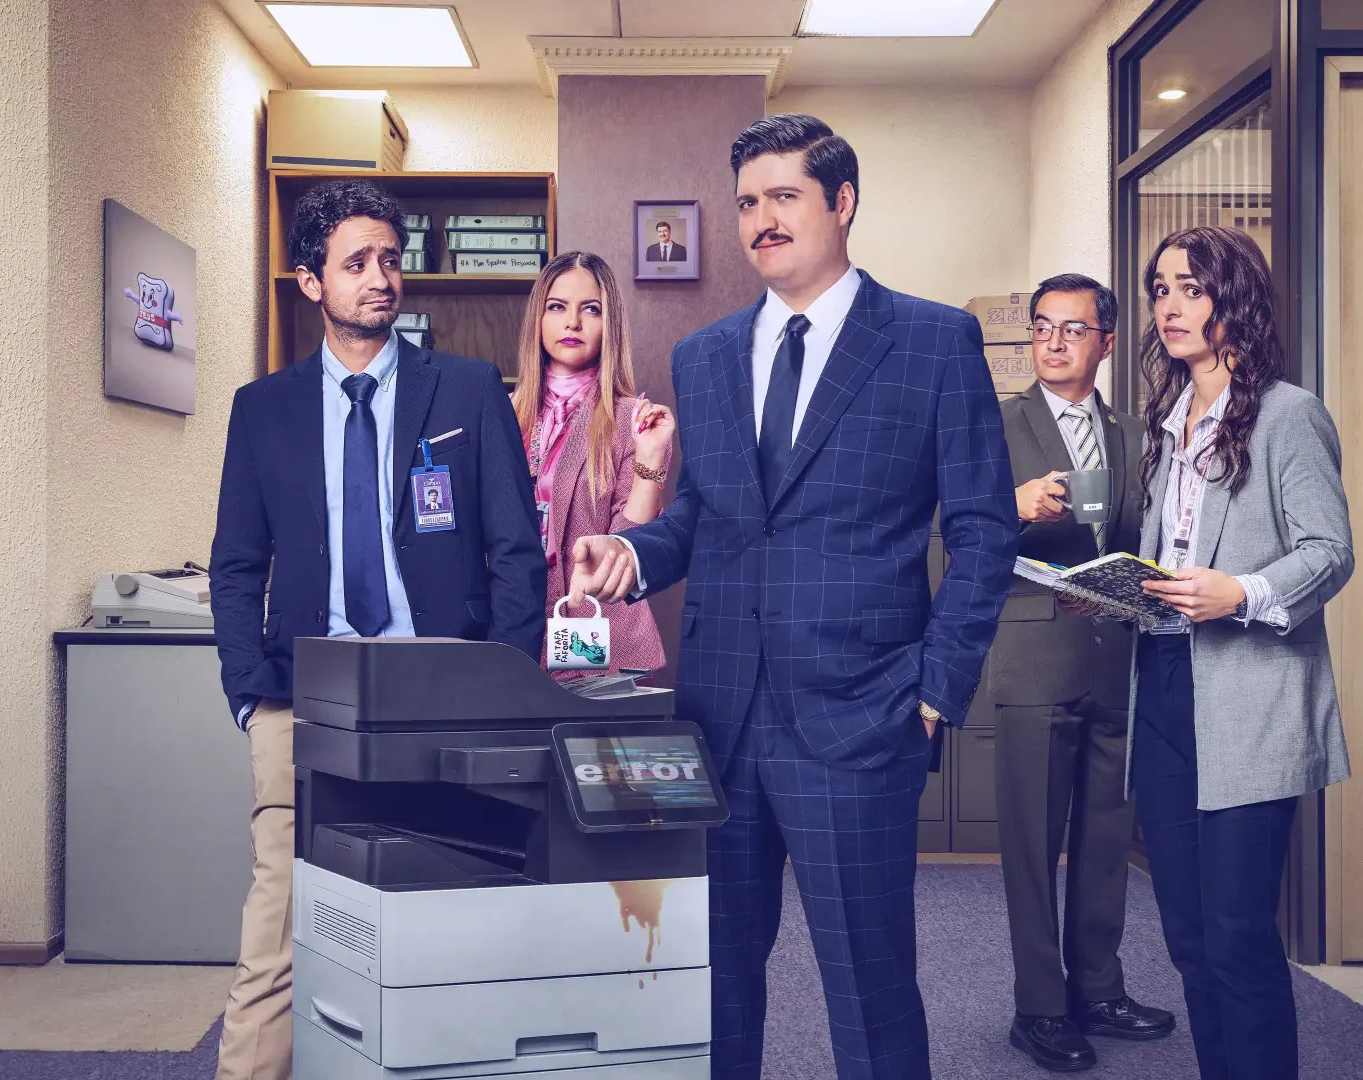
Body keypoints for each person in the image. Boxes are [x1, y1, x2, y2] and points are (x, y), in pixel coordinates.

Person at [570, 113, 1018, 1080]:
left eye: (784, 197)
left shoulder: (935, 343)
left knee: (870, 983)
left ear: (842, 202)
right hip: (720, 720)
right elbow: (704, 518)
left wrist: (936, 688)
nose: (761, 219)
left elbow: (985, 531)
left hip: (864, 719)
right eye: (746, 203)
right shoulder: (705, 354)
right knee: (712, 979)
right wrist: (631, 556)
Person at [208, 178, 546, 1080]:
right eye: (356, 262)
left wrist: (503, 689)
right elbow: (237, 569)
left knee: (449, 926)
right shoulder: (263, 409)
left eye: (390, 260)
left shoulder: (468, 391)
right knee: (274, 942)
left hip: (441, 692)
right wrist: (250, 698)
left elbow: (519, 552)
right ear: (310, 279)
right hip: (302, 699)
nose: (380, 279)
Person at [1130, 225, 1352, 1080]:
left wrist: (1242, 592)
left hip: (1250, 698)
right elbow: (1171, 550)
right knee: (1186, 937)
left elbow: (1330, 551)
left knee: (1235, 936)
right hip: (1164, 684)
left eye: (1191, 286)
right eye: (1160, 289)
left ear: (1237, 298)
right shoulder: (1168, 415)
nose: (1171, 305)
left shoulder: (1290, 414)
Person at [990, 274, 1172, 1072]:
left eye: (1073, 329)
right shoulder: (996, 427)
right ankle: (1039, 1008)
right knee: (1033, 844)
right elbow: (939, 527)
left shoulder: (1138, 435)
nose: (1055, 342)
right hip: (1033, 659)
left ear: (1105, 343)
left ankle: (1098, 989)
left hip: (1118, 654)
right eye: (1042, 328)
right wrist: (1011, 503)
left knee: (1104, 839)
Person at [512, 250, 675, 680]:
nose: (572, 323)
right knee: (512, 741)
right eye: (557, 307)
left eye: (591, 309)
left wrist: (651, 458)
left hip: (588, 617)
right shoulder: (503, 413)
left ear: (610, 324)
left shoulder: (634, 419)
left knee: (581, 732)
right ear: (538, 319)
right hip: (513, 620)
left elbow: (629, 545)